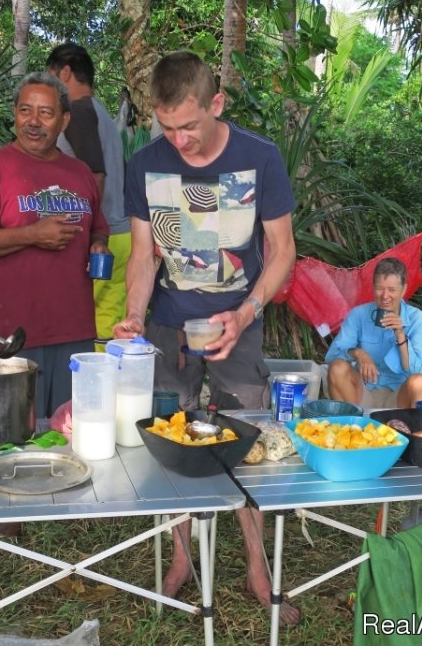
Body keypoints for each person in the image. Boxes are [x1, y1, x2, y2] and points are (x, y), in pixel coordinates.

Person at [113, 51, 299, 624]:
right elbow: (144, 254)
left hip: (236, 322)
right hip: (170, 324)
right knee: (171, 440)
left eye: (189, 126)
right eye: (167, 128)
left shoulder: (260, 159)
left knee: (250, 443)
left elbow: (283, 252)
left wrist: (244, 315)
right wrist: (134, 317)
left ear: (216, 103)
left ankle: (255, 563)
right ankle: (180, 558)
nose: (180, 141)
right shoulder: (146, 163)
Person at [0, 72, 109, 421]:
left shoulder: (80, 173)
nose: (33, 122)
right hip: (16, 338)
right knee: (15, 438)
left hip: (75, 333)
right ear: (15, 114)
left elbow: (98, 228)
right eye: (25, 111)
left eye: (46, 113)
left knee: (72, 435)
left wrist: (98, 245)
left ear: (64, 121)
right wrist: (32, 234)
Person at [46, 43, 130, 345]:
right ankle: (111, 387)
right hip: (122, 232)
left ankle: (94, 390)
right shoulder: (102, 115)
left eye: (50, 77)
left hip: (101, 240)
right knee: (110, 325)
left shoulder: (78, 112)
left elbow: (95, 174)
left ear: (65, 72)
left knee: (90, 327)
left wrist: (91, 233)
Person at [325, 257, 422, 408]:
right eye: (380, 288)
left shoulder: (418, 319)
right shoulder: (359, 315)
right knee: (337, 368)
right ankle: (351, 425)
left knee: (419, 381)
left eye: (392, 290)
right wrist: (358, 353)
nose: (385, 296)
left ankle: (419, 430)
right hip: (362, 393)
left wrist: (400, 335)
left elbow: (419, 370)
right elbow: (331, 356)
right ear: (373, 287)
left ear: (403, 289)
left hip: (398, 397)